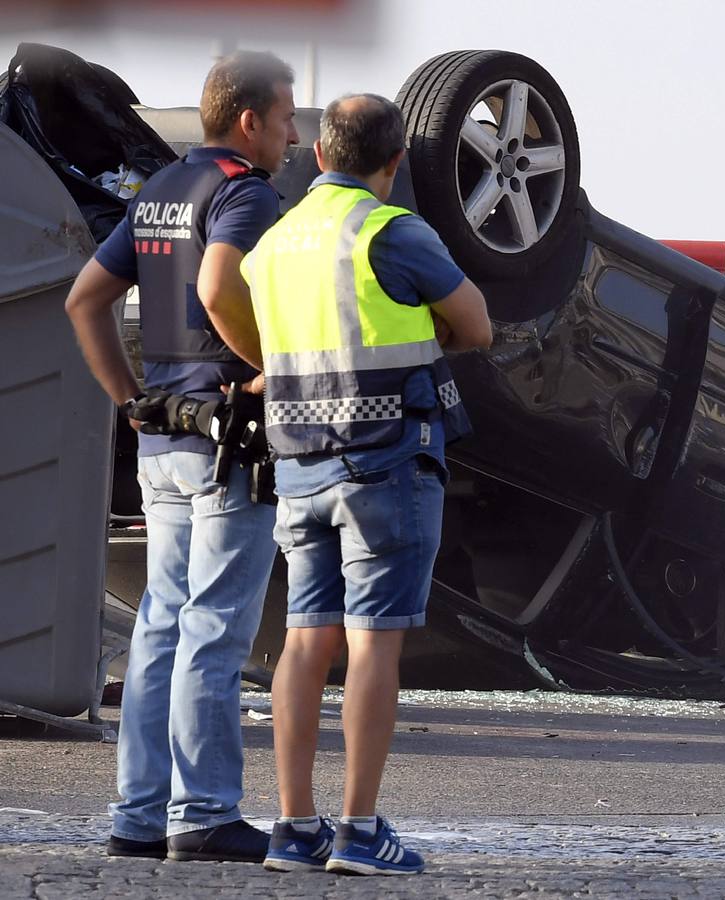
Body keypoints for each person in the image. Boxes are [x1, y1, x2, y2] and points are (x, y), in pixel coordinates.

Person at [238, 93, 491, 876]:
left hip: (299, 466)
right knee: (373, 644)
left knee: (304, 641)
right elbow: (476, 326)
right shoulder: (391, 230)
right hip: (384, 462)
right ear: (395, 163)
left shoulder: (275, 243)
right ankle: (358, 829)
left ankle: (293, 828)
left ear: (318, 155)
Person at [64, 51, 298, 860]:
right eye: (286, 117)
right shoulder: (245, 191)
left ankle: (138, 813)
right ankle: (202, 812)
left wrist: (130, 399)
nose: (293, 134)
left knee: (161, 625)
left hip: (162, 437)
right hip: (229, 443)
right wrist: (272, 368)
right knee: (215, 628)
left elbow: (84, 300)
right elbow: (218, 286)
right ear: (248, 122)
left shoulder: (160, 190)